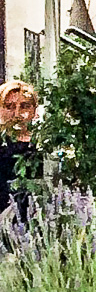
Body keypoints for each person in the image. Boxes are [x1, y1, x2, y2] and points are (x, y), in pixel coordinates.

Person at [0, 80, 38, 214]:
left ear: (33, 110)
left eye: (24, 106)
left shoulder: (42, 144)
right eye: (9, 106)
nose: (17, 114)